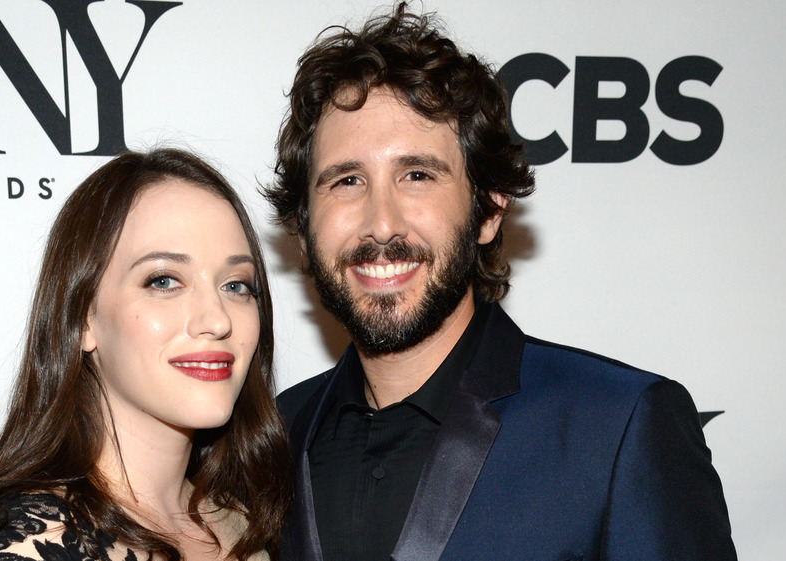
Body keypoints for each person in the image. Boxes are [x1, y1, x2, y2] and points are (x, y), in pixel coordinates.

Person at [265, 4, 736, 561]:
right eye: (346, 180)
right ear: (304, 223)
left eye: (417, 175)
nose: (381, 223)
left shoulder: (616, 428)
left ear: (488, 210)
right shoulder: (276, 438)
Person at [0, 148, 290, 561]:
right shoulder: (29, 546)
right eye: (164, 281)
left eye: (236, 285)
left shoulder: (237, 522)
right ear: (83, 319)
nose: (217, 319)